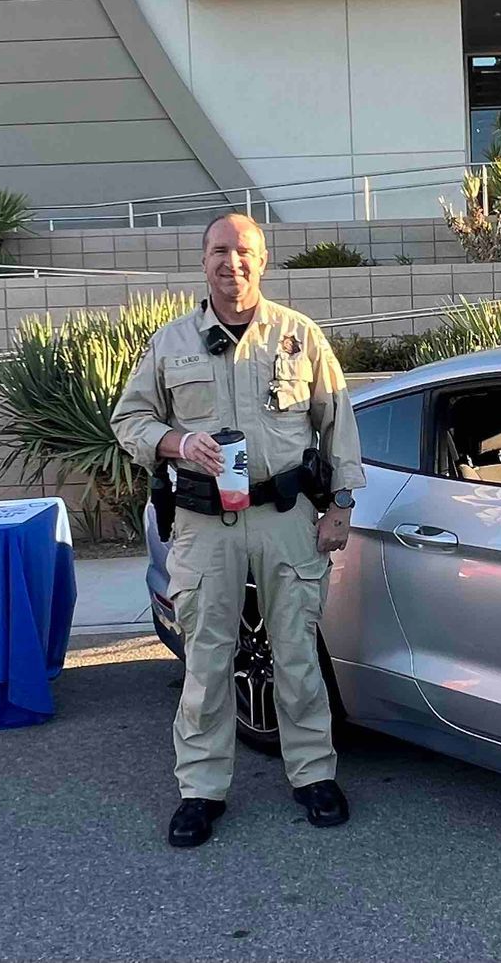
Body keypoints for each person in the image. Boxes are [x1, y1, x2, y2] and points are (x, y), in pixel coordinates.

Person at [110, 213, 365, 848]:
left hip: (285, 519)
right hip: (205, 525)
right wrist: (175, 440)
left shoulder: (299, 337)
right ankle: (200, 789)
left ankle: (312, 776)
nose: (233, 264)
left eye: (244, 251)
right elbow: (129, 419)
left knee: (298, 656)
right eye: (220, 252)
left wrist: (340, 507)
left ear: (263, 258)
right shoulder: (170, 344)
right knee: (206, 661)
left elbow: (338, 425)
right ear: (204, 262)